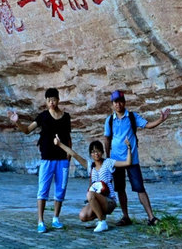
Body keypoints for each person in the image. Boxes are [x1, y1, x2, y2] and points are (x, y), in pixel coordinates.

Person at [103, 89, 170, 226]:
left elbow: (147, 125)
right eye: (116, 102)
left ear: (124, 102)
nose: (118, 104)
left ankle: (151, 217)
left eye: (121, 101)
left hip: (132, 159)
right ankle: (125, 216)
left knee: (140, 188)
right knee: (120, 189)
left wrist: (161, 119)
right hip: (116, 161)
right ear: (112, 104)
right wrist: (108, 158)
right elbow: (107, 139)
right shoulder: (109, 120)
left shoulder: (132, 117)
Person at [9, 88, 72, 232]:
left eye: (54, 99)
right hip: (47, 159)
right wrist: (17, 122)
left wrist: (69, 156)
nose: (51, 102)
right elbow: (27, 130)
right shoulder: (43, 116)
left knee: (61, 190)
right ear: (46, 101)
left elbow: (68, 137)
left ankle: (56, 218)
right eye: (48, 100)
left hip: (62, 159)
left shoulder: (66, 117)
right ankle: (40, 221)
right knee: (43, 190)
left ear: (58, 99)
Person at [53, 135, 131, 233]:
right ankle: (101, 218)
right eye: (93, 152)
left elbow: (127, 162)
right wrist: (60, 144)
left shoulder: (108, 162)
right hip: (96, 199)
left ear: (102, 152)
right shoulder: (90, 166)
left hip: (109, 200)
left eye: (98, 151)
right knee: (82, 216)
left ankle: (102, 222)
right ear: (90, 154)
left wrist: (128, 147)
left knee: (90, 194)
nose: (96, 154)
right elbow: (74, 154)